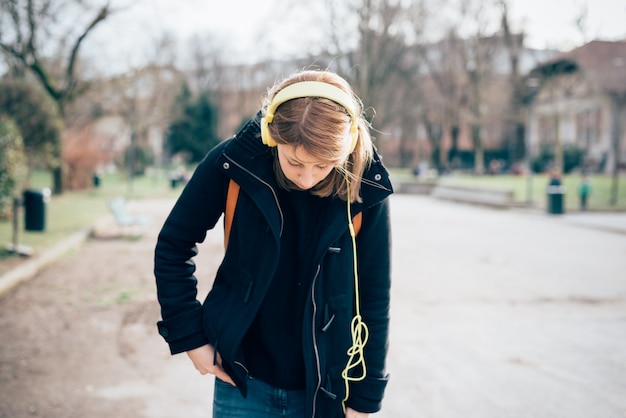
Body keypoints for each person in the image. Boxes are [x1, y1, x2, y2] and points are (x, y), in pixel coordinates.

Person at [154, 69, 393, 418]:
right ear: (271, 135)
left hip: (329, 390)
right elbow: (173, 245)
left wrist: (366, 397)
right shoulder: (232, 163)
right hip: (242, 383)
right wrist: (189, 336)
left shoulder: (364, 186)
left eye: (324, 165)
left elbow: (374, 294)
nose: (308, 177)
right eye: (295, 161)